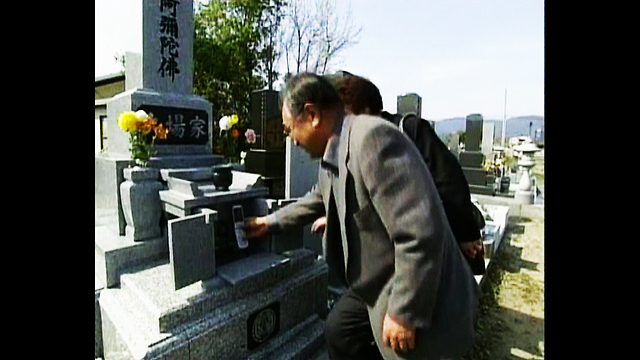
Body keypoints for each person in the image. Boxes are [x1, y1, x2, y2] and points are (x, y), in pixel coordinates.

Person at [245, 73, 479, 360]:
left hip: (417, 285)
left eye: (288, 129)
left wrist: (404, 312)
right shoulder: (334, 151)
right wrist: (269, 223)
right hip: (376, 280)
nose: (291, 141)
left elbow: (418, 232)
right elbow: (318, 199)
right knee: (340, 331)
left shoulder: (371, 138)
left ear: (312, 115)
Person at [315, 71, 486, 275]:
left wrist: (466, 234)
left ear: (365, 110)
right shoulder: (347, 147)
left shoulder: (409, 130)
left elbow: (448, 181)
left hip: (425, 247)